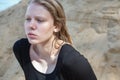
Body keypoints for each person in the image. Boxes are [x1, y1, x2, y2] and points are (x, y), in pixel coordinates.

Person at [13, 0, 97, 80]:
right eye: (28, 19)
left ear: (57, 26)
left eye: (39, 20)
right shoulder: (21, 49)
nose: (31, 25)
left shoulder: (72, 61)